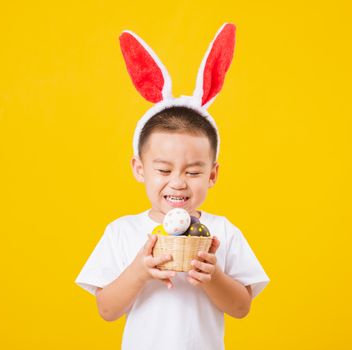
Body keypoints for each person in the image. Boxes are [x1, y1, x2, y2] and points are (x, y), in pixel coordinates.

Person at [75, 23, 269, 350]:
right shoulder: (122, 232)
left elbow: (241, 308)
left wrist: (214, 277)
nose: (177, 182)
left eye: (193, 172)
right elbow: (107, 310)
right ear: (140, 169)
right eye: (163, 169)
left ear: (212, 174)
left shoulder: (221, 231)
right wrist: (139, 271)